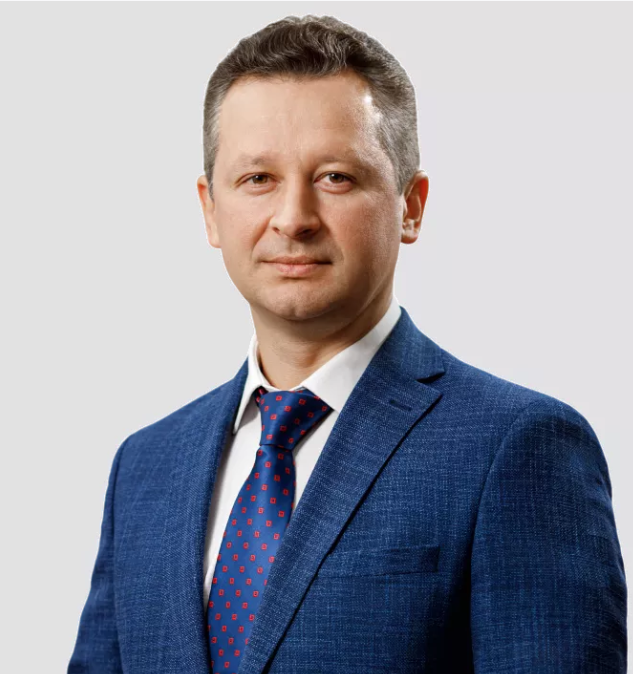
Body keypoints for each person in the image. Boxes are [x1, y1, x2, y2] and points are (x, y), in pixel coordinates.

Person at [68, 14, 627, 674]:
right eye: (257, 179)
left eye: (335, 177)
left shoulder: (519, 446)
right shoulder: (146, 467)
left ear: (410, 204)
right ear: (210, 208)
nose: (293, 219)